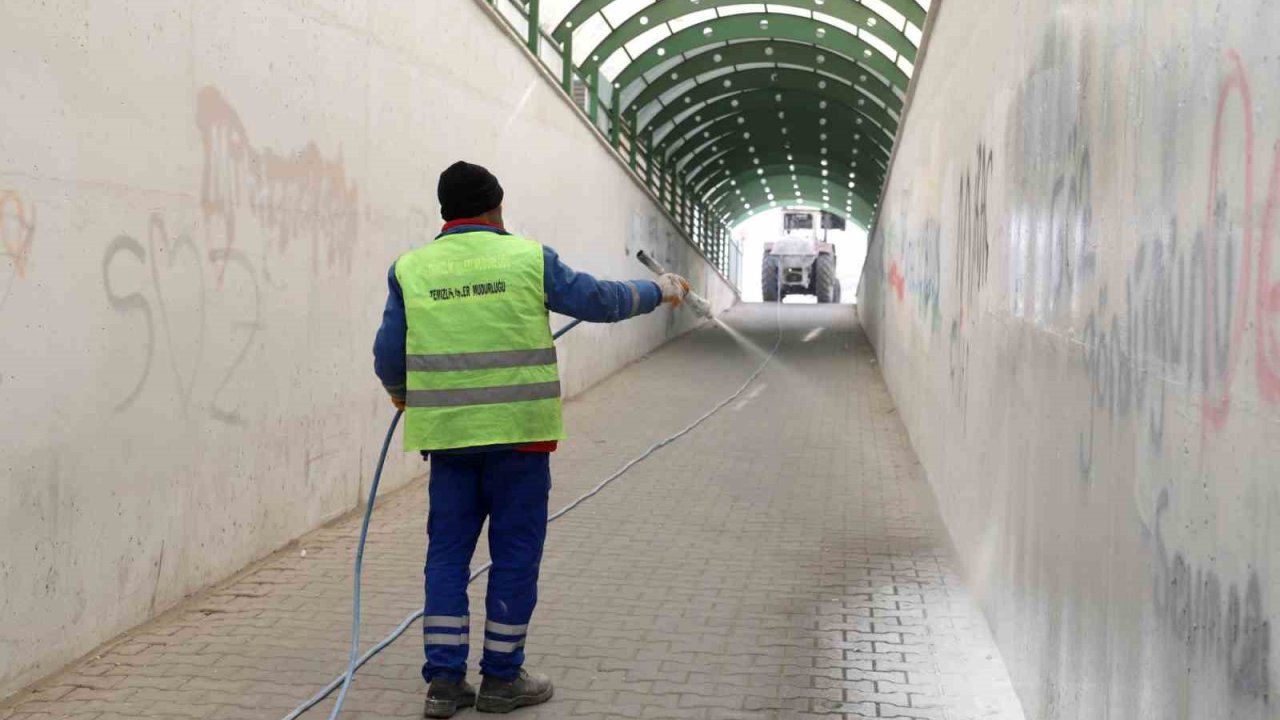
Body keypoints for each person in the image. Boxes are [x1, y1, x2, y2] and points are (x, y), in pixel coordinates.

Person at [373, 161, 691, 717]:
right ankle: (501, 679)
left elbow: (386, 354)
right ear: (496, 207)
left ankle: (444, 684)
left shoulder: (410, 269)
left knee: (446, 557)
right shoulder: (528, 258)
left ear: (446, 212)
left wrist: (402, 394)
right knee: (514, 557)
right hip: (520, 441)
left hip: (449, 442)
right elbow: (600, 301)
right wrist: (658, 290)